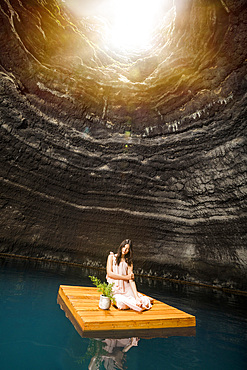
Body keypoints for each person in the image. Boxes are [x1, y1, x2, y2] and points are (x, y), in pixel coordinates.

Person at [106, 239, 152, 312]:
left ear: (129, 251)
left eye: (127, 249)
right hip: (115, 289)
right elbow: (109, 274)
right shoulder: (111, 257)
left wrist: (136, 297)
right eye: (124, 247)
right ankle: (141, 302)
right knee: (121, 305)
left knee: (137, 299)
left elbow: (131, 280)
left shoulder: (129, 262)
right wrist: (125, 277)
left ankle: (139, 300)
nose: (124, 250)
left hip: (126, 289)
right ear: (121, 246)